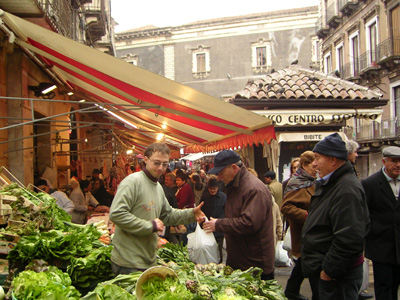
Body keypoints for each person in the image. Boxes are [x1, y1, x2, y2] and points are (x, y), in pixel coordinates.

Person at [109, 142, 205, 275]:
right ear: (146, 160)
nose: (161, 168)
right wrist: (150, 226)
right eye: (157, 163)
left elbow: (168, 215)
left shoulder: (158, 187)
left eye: (165, 164)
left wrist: (190, 214)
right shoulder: (132, 182)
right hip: (128, 262)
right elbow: (116, 214)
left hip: (148, 260)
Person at [301, 133, 370, 300]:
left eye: (318, 158)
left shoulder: (346, 189)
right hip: (331, 273)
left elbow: (349, 238)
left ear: (333, 160)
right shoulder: (333, 183)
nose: (315, 164)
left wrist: (328, 273)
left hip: (338, 277)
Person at [203, 150, 275, 280]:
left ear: (234, 168)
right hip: (241, 260)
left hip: (254, 265)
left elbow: (249, 223)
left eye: (221, 172)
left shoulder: (254, 189)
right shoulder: (234, 185)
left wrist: (219, 224)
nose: (219, 177)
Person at [361, 146, 400, 300]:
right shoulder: (370, 184)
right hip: (381, 247)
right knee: (383, 287)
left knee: (396, 285)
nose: (398, 165)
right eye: (394, 161)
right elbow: (365, 213)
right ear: (384, 161)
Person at [281, 151, 318, 300]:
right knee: (312, 269)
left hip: (312, 235)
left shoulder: (313, 181)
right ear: (305, 165)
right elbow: (286, 207)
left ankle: (291, 292)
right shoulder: (296, 183)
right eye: (313, 165)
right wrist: (307, 216)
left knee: (303, 265)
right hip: (304, 234)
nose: (316, 168)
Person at [345, 140, 373, 300]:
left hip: (347, 260)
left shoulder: (348, 183)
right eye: (355, 151)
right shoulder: (348, 183)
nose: (357, 154)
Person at [200, 176, 226, 263]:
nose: (212, 191)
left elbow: (226, 212)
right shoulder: (205, 197)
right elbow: (201, 211)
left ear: (218, 188)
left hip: (219, 228)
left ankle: (220, 263)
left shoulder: (223, 197)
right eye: (210, 189)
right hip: (207, 228)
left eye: (214, 189)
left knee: (220, 249)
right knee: (209, 248)